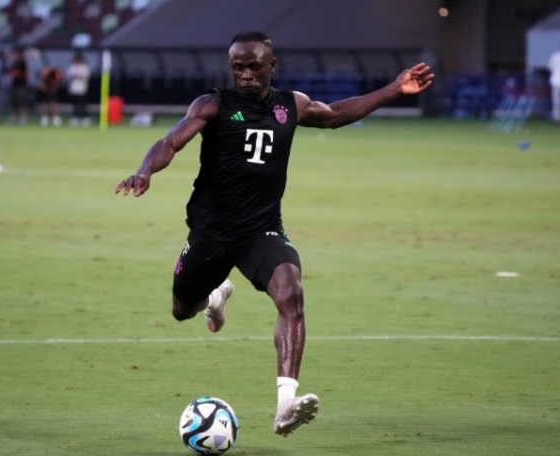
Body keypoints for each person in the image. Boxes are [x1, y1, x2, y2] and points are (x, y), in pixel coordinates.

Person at [115, 31, 433, 437]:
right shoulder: (212, 104)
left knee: (291, 291)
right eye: (237, 68)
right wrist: (145, 170)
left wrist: (394, 89)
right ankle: (215, 295)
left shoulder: (291, 104)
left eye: (253, 67)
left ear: (271, 66)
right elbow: (170, 141)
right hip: (211, 232)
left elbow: (335, 115)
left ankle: (286, 404)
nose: (245, 75)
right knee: (182, 310)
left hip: (260, 230)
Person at [66, 53, 91, 127]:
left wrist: (79, 76)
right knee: (75, 104)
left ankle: (85, 118)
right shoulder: (72, 67)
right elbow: (68, 76)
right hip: (73, 89)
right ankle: (75, 117)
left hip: (82, 89)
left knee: (82, 104)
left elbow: (86, 76)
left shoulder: (84, 67)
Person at [10, 47, 29, 125]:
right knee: (14, 101)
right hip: (15, 84)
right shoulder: (15, 62)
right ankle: (15, 116)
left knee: (22, 101)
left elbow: (21, 74)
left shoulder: (22, 62)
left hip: (22, 84)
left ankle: (23, 117)